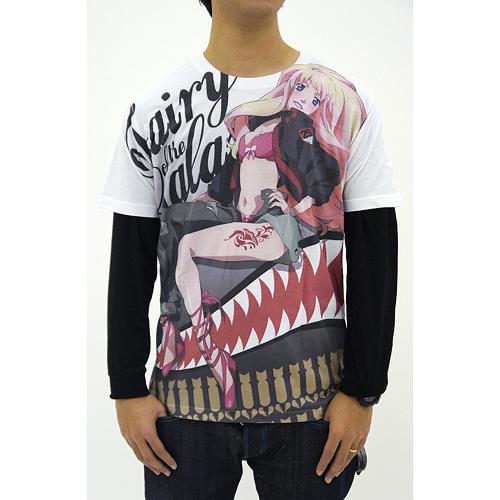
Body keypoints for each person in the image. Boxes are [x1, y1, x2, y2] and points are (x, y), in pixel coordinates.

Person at [100, 1, 402, 499]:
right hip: (183, 409)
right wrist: (127, 386)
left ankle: (206, 337)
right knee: (190, 243)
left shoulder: (345, 101)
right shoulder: (153, 109)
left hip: (315, 408)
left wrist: (364, 388)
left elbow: (375, 252)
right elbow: (130, 255)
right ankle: (204, 339)